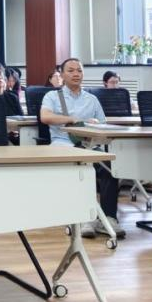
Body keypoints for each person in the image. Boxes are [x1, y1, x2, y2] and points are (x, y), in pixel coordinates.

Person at [40, 58, 125, 239]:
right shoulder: (53, 96)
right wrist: (72, 119)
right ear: (62, 74)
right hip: (63, 144)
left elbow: (103, 124)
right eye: (70, 70)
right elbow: (45, 117)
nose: (76, 74)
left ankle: (108, 218)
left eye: (79, 70)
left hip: (89, 145)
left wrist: (92, 127)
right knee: (83, 168)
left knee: (110, 167)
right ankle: (84, 217)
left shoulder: (92, 99)